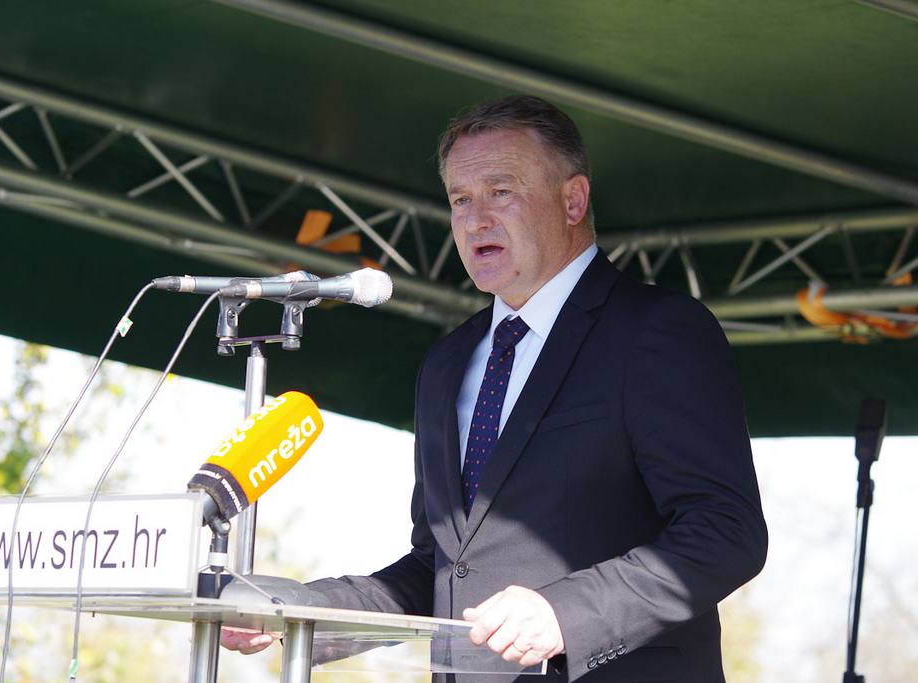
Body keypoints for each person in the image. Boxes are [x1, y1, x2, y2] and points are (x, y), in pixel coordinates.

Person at [222, 95, 768, 682]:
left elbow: (726, 531)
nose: (474, 219)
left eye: (500, 192)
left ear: (573, 200)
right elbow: (441, 568)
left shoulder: (655, 330)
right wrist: (304, 607)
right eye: (460, 199)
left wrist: (566, 614)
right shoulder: (448, 362)